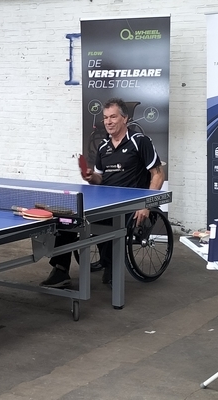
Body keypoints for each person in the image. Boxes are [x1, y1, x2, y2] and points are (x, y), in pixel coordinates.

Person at [40, 97, 165, 288]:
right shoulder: (103, 147)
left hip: (131, 204)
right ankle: (60, 270)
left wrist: (146, 204)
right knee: (68, 219)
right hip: (105, 201)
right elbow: (100, 179)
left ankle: (111, 265)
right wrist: (91, 177)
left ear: (125, 118)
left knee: (109, 223)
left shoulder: (140, 141)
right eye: (106, 118)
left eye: (113, 117)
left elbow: (158, 174)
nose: (108, 122)